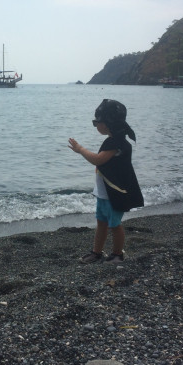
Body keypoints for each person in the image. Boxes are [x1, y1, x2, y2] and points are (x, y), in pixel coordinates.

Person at [68, 99, 143, 264]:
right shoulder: (115, 141)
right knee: (101, 222)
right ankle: (96, 252)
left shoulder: (116, 143)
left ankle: (117, 254)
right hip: (105, 192)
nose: (96, 125)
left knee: (114, 224)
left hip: (115, 193)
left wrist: (80, 149)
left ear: (108, 123)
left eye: (97, 122)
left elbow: (98, 160)